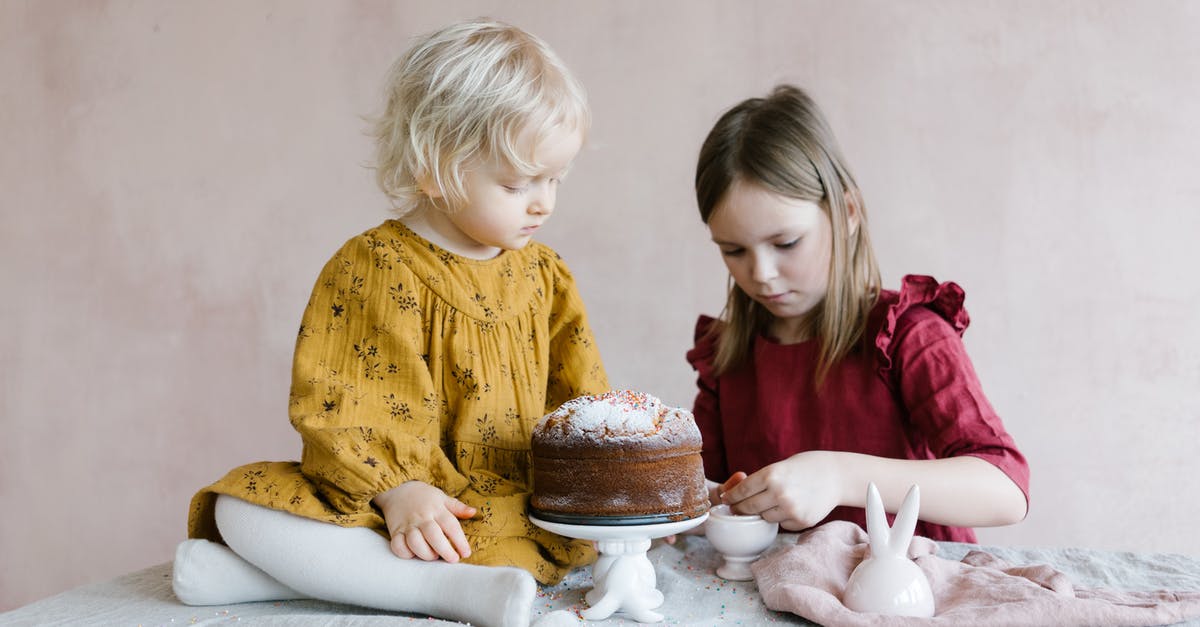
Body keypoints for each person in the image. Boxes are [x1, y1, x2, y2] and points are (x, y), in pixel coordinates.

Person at [170, 20, 608, 627]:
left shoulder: (544, 274)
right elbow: (345, 398)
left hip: (500, 508)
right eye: (516, 183)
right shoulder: (376, 267)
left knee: (522, 539)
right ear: (434, 168)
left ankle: (305, 581)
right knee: (238, 506)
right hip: (388, 501)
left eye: (555, 179)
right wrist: (399, 489)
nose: (544, 202)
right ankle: (432, 588)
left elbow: (580, 395)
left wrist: (613, 487)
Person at [687, 85, 1029, 543]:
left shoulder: (910, 335)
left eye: (786, 243)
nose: (762, 274)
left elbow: (1006, 488)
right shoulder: (727, 356)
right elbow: (704, 491)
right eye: (734, 250)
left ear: (847, 212)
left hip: (915, 597)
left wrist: (839, 476)